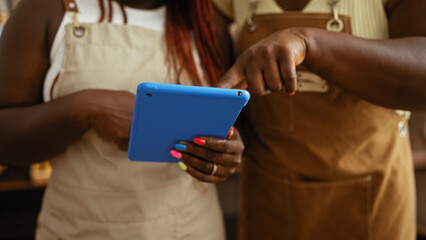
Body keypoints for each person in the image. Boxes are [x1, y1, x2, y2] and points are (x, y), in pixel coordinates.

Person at [0, 0, 244, 239]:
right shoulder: (46, 9)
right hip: (77, 228)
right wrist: (87, 107)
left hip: (191, 227)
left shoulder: (206, 20)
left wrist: (224, 152)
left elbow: (228, 127)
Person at [211, 0, 426, 239]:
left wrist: (309, 43)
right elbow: (218, 81)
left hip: (373, 202)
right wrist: (228, 136)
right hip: (269, 202)